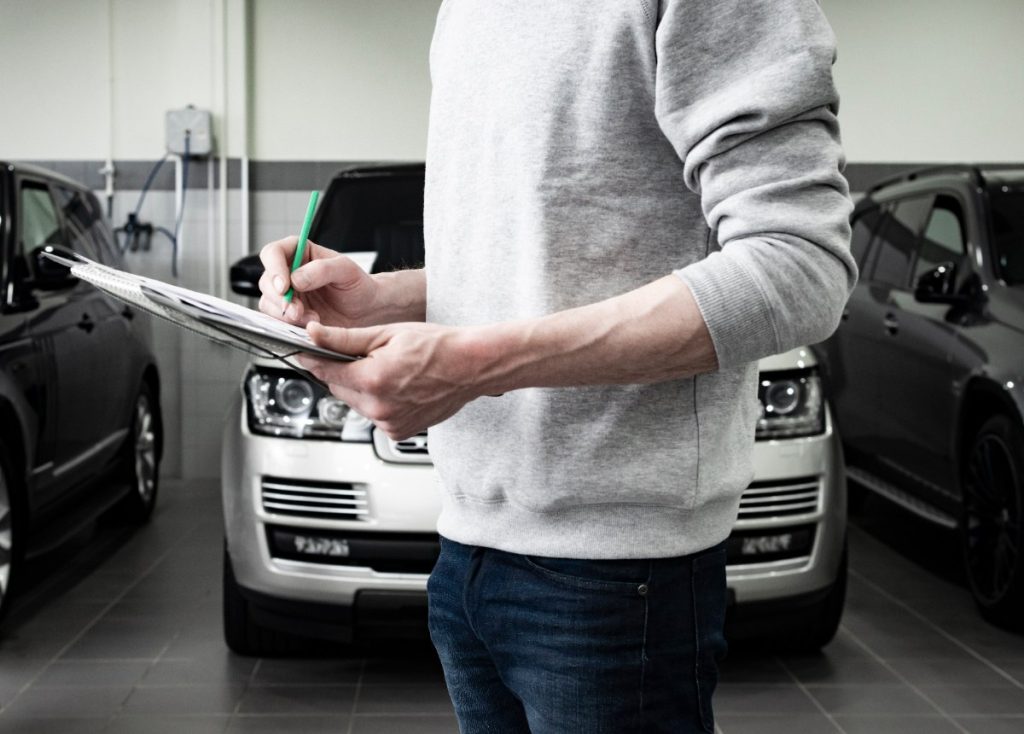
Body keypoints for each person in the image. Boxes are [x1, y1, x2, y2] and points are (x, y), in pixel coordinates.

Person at [258, 0, 857, 730]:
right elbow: (536, 264)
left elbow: (800, 266)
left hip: (618, 573)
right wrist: (382, 299)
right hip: (466, 546)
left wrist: (474, 364)